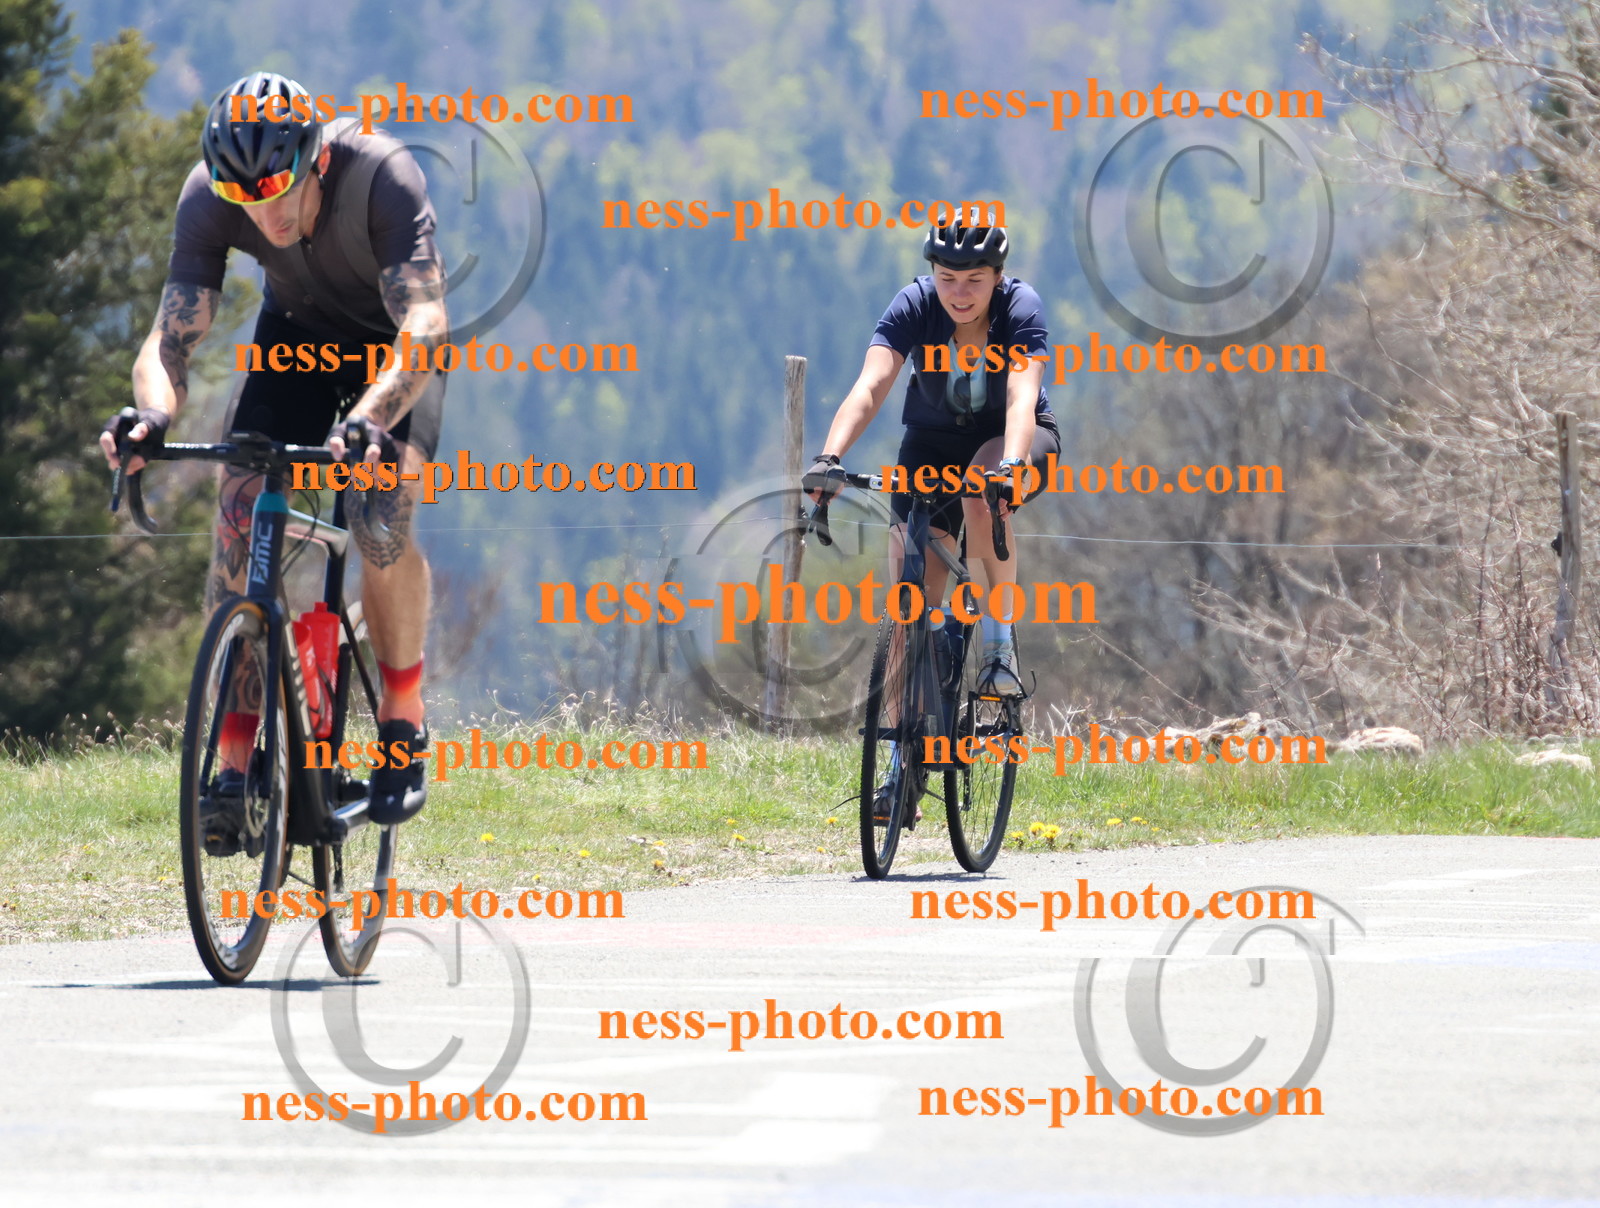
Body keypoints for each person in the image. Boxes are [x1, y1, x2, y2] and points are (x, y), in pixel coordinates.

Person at [99, 71, 447, 827]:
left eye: (280, 190)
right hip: (294, 341)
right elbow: (171, 338)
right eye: (247, 198)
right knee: (239, 504)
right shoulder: (209, 196)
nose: (267, 212)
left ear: (317, 158)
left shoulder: (382, 175)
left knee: (379, 514)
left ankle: (402, 717)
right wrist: (151, 416)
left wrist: (370, 420)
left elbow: (424, 323)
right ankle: (233, 760)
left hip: (393, 350)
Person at [804, 223, 1061, 814]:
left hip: (1014, 440)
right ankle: (903, 767)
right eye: (948, 279)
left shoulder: (1020, 309)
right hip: (931, 445)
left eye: (975, 280)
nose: (959, 293)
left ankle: (997, 647)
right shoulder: (914, 305)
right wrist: (830, 458)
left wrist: (1012, 466)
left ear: (998, 278)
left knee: (980, 491)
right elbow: (872, 383)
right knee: (910, 596)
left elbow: (1022, 396)